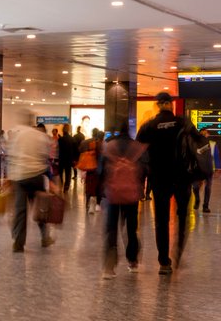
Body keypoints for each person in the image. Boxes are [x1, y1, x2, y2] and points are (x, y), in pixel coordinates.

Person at [136, 92, 205, 273]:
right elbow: (200, 145)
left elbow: (137, 154)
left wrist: (142, 177)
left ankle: (164, 262)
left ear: (158, 105)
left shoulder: (148, 126)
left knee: (162, 219)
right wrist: (201, 171)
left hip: (159, 179)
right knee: (182, 216)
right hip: (182, 178)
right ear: (171, 105)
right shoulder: (183, 123)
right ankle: (178, 250)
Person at [99, 120, 144, 278]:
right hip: (132, 193)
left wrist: (103, 189)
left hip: (113, 193)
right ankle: (133, 261)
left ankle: (109, 268)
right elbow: (144, 170)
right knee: (131, 227)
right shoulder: (136, 147)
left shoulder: (109, 145)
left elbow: (100, 170)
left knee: (111, 228)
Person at [6, 120, 53, 253]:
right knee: (41, 207)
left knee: (20, 210)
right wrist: (50, 178)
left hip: (20, 176)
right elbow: (45, 157)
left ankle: (18, 243)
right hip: (36, 174)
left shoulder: (17, 134)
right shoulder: (40, 136)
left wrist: (10, 177)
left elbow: (11, 156)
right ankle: (45, 237)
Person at [190, 128, 216, 214]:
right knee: (207, 187)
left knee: (196, 186)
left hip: (198, 168)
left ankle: (198, 200)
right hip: (207, 168)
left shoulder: (193, 142)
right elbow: (215, 155)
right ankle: (205, 206)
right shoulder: (211, 143)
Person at [82, 128, 105, 214]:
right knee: (99, 188)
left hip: (90, 169)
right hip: (99, 170)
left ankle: (88, 204)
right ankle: (97, 205)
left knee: (89, 187)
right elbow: (103, 159)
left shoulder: (90, 143)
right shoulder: (103, 145)